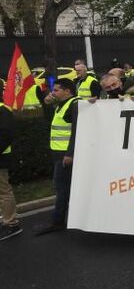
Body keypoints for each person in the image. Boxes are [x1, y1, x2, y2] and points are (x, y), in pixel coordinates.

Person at [35, 79, 79, 235]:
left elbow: (77, 131)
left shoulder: (74, 104)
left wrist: (70, 153)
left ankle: (58, 221)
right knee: (65, 187)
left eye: (56, 90)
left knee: (61, 188)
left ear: (67, 91)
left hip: (65, 156)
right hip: (59, 154)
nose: (53, 93)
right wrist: (46, 101)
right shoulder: (61, 105)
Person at [0, 99, 21, 240]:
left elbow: (6, 135)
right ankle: (6, 220)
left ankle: (12, 224)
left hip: (1, 157)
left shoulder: (3, 111)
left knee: (3, 191)